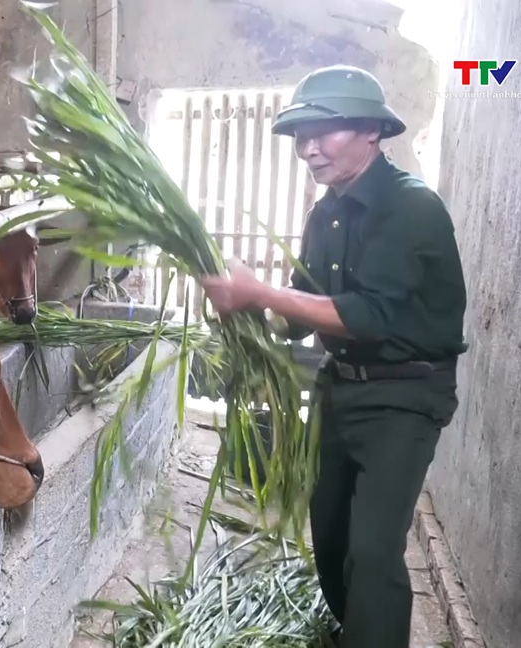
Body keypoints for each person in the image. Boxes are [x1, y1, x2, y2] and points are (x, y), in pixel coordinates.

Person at [200, 64, 468, 648]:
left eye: (325, 132)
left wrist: (262, 291)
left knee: (373, 554)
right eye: (300, 135)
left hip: (404, 397)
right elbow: (305, 311)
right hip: (340, 387)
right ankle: (358, 632)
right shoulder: (326, 214)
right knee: (332, 538)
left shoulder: (411, 208)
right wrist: (246, 314)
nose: (308, 148)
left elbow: (368, 315)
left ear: (372, 131)